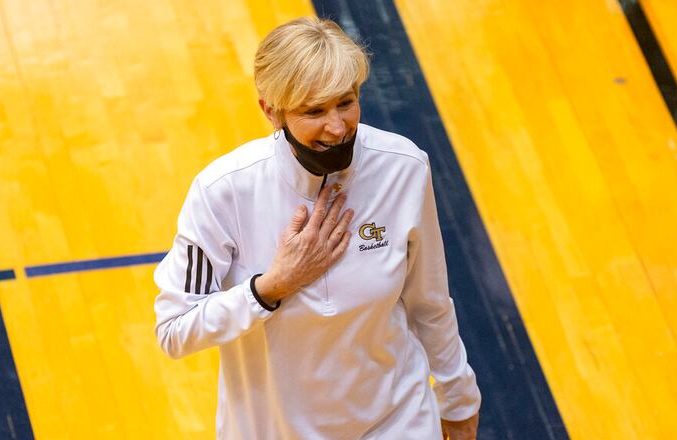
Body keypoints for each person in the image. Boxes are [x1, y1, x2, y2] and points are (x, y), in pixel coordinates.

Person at [154, 17, 481, 440]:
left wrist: (459, 399)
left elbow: (429, 302)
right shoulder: (223, 192)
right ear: (271, 111)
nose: (338, 127)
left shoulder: (404, 168)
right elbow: (174, 330)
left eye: (345, 103)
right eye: (314, 111)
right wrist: (269, 288)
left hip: (397, 421)